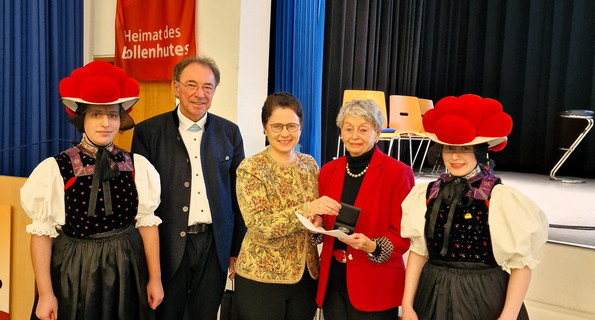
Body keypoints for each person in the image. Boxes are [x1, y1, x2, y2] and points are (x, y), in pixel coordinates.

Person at [21, 61, 164, 320]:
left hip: (127, 269)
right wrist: (45, 293)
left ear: (121, 120)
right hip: (74, 269)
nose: (105, 123)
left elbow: (147, 225)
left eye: (112, 115)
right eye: (96, 114)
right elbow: (41, 235)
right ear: (82, 118)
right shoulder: (56, 168)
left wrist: (155, 279)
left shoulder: (137, 166)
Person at [400, 94, 549, 320]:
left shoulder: (499, 198)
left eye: (465, 149)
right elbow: (418, 252)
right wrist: (407, 305)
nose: (455, 156)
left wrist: (507, 316)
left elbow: (521, 266)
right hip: (431, 295)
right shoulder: (427, 193)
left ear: (480, 152)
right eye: (449, 148)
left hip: (483, 299)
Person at [131, 56, 246, 320]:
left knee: (204, 314)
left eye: (208, 87)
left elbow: (239, 195)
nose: (200, 94)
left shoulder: (230, 133)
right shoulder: (149, 132)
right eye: (191, 84)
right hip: (167, 244)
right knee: (167, 314)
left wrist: (235, 249)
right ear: (176, 87)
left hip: (214, 244)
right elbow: (140, 199)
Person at [233, 92, 341, 320]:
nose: (285, 133)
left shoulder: (309, 164)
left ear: (301, 127)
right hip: (262, 278)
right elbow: (260, 225)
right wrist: (309, 209)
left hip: (305, 277)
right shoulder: (251, 168)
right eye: (277, 126)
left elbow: (316, 217)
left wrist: (317, 223)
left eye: (292, 126)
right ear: (265, 127)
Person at [314, 99, 415, 319]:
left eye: (363, 129)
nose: (354, 136)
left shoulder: (398, 173)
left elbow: (403, 234)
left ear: (377, 133)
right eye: (348, 129)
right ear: (341, 132)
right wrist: (316, 225)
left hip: (375, 284)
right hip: (334, 281)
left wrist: (372, 246)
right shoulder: (329, 171)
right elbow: (321, 221)